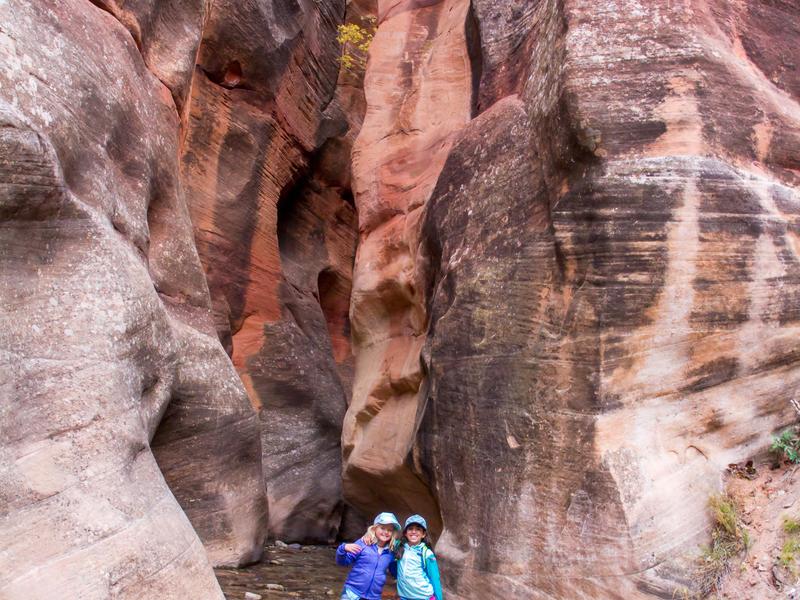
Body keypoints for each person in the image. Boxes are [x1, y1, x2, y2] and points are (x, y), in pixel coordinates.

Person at [335, 512, 401, 600]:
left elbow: (396, 572)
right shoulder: (363, 543)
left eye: (389, 530)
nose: (386, 532)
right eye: (382, 528)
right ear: (375, 528)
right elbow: (342, 562)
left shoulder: (391, 552)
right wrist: (342, 548)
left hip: (373, 596)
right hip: (352, 593)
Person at [393, 514, 444, 600]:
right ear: (405, 533)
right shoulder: (399, 546)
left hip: (423, 596)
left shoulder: (427, 553)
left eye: (418, 529)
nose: (414, 532)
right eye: (410, 529)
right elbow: (384, 538)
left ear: (423, 534)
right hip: (404, 596)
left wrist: (439, 598)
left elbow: (435, 578)